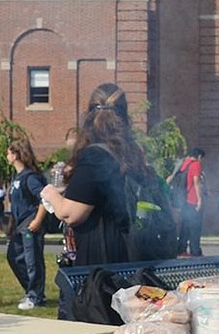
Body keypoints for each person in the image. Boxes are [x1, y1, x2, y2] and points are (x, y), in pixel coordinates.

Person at [40, 83, 143, 267]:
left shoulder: (96, 157)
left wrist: (51, 194)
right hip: (130, 254)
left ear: (88, 116)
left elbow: (70, 214)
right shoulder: (131, 152)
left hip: (102, 263)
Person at [6, 138, 50, 309]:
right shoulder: (16, 177)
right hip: (19, 225)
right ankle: (31, 290)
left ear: (16, 155)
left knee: (33, 261)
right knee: (13, 257)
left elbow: (44, 198)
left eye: (9, 153)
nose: (7, 156)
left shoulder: (30, 177)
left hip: (30, 223)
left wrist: (38, 220)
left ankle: (36, 296)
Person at [173, 147, 206, 257]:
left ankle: (181, 249)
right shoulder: (195, 164)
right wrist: (199, 200)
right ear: (199, 156)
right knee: (195, 227)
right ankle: (195, 251)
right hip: (193, 200)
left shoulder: (184, 164)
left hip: (184, 201)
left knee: (185, 227)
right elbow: (196, 181)